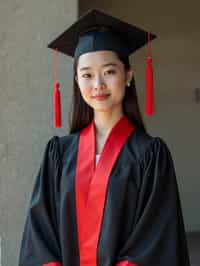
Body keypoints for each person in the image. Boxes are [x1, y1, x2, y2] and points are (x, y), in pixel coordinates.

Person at [18, 9, 191, 266]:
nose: (97, 84)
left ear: (128, 75)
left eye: (109, 71)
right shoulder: (59, 154)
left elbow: (157, 240)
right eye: (87, 74)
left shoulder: (150, 156)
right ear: (76, 81)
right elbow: (39, 236)